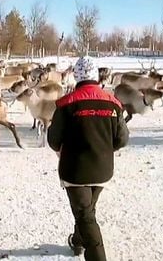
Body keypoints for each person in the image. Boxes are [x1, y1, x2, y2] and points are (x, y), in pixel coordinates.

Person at [47, 56, 129, 261]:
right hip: (102, 169)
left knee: (85, 214)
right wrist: (104, 148)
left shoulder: (67, 104)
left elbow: (53, 140)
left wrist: (62, 148)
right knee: (87, 208)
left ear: (76, 76)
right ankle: (77, 241)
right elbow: (122, 139)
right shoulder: (113, 104)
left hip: (75, 170)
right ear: (95, 76)